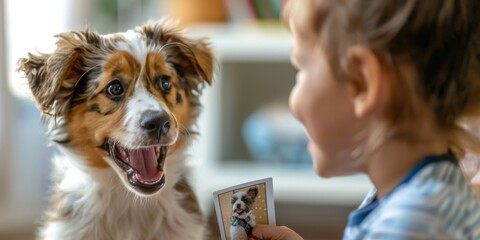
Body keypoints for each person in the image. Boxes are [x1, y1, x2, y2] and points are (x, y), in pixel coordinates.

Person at [251, 0, 480, 239]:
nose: (292, 100)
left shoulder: (411, 223)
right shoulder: (426, 198)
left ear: (362, 82)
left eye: (300, 69)